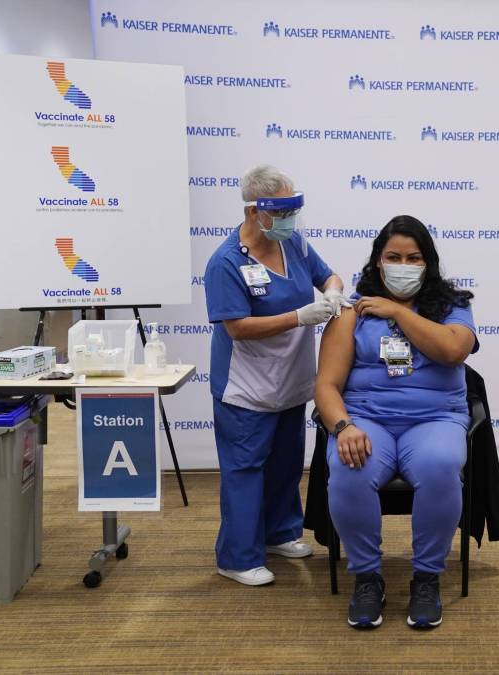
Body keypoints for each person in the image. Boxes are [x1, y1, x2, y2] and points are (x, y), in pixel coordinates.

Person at [314, 215, 479, 630]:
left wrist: (397, 313)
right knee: (349, 466)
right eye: (393, 257)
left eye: (413, 257)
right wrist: (343, 427)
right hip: (367, 418)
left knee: (441, 465)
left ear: (428, 263)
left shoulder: (453, 305)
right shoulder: (351, 311)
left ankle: (427, 578)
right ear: (377, 261)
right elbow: (326, 385)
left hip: (436, 417)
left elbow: (453, 350)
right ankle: (367, 578)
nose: (402, 265)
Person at [204, 165, 350, 586]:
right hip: (245, 388)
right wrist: (300, 317)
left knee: (285, 466)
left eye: (292, 209)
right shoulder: (226, 262)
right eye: (281, 212)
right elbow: (237, 327)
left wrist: (334, 293)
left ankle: (280, 532)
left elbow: (329, 275)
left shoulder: (294, 244)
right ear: (255, 212)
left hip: (291, 381)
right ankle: (236, 556)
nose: (289, 219)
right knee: (245, 471)